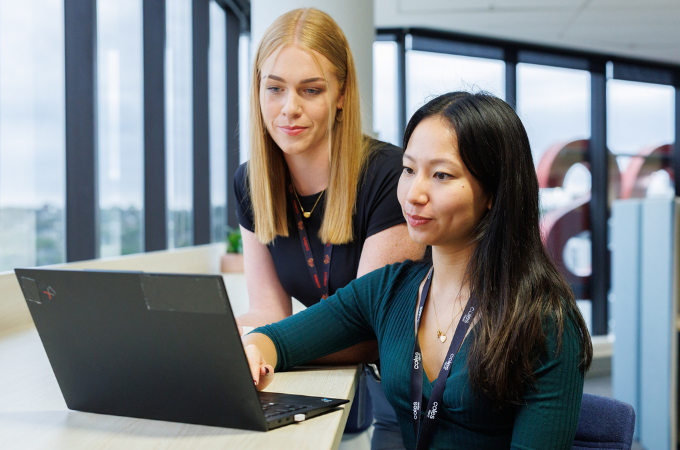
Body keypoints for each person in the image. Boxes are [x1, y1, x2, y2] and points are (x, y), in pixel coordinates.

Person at [243, 91, 594, 449]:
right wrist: (254, 352)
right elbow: (276, 340)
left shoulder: (544, 321)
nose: (414, 193)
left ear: (494, 192)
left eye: (441, 175)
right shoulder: (389, 289)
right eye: (409, 170)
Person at [233, 7, 422, 443]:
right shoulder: (250, 182)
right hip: (332, 377)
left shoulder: (390, 176)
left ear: (340, 94)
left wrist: (262, 342)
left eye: (311, 90)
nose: (289, 109)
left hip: (409, 387)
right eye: (274, 88)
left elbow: (367, 327)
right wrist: (213, 340)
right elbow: (269, 311)